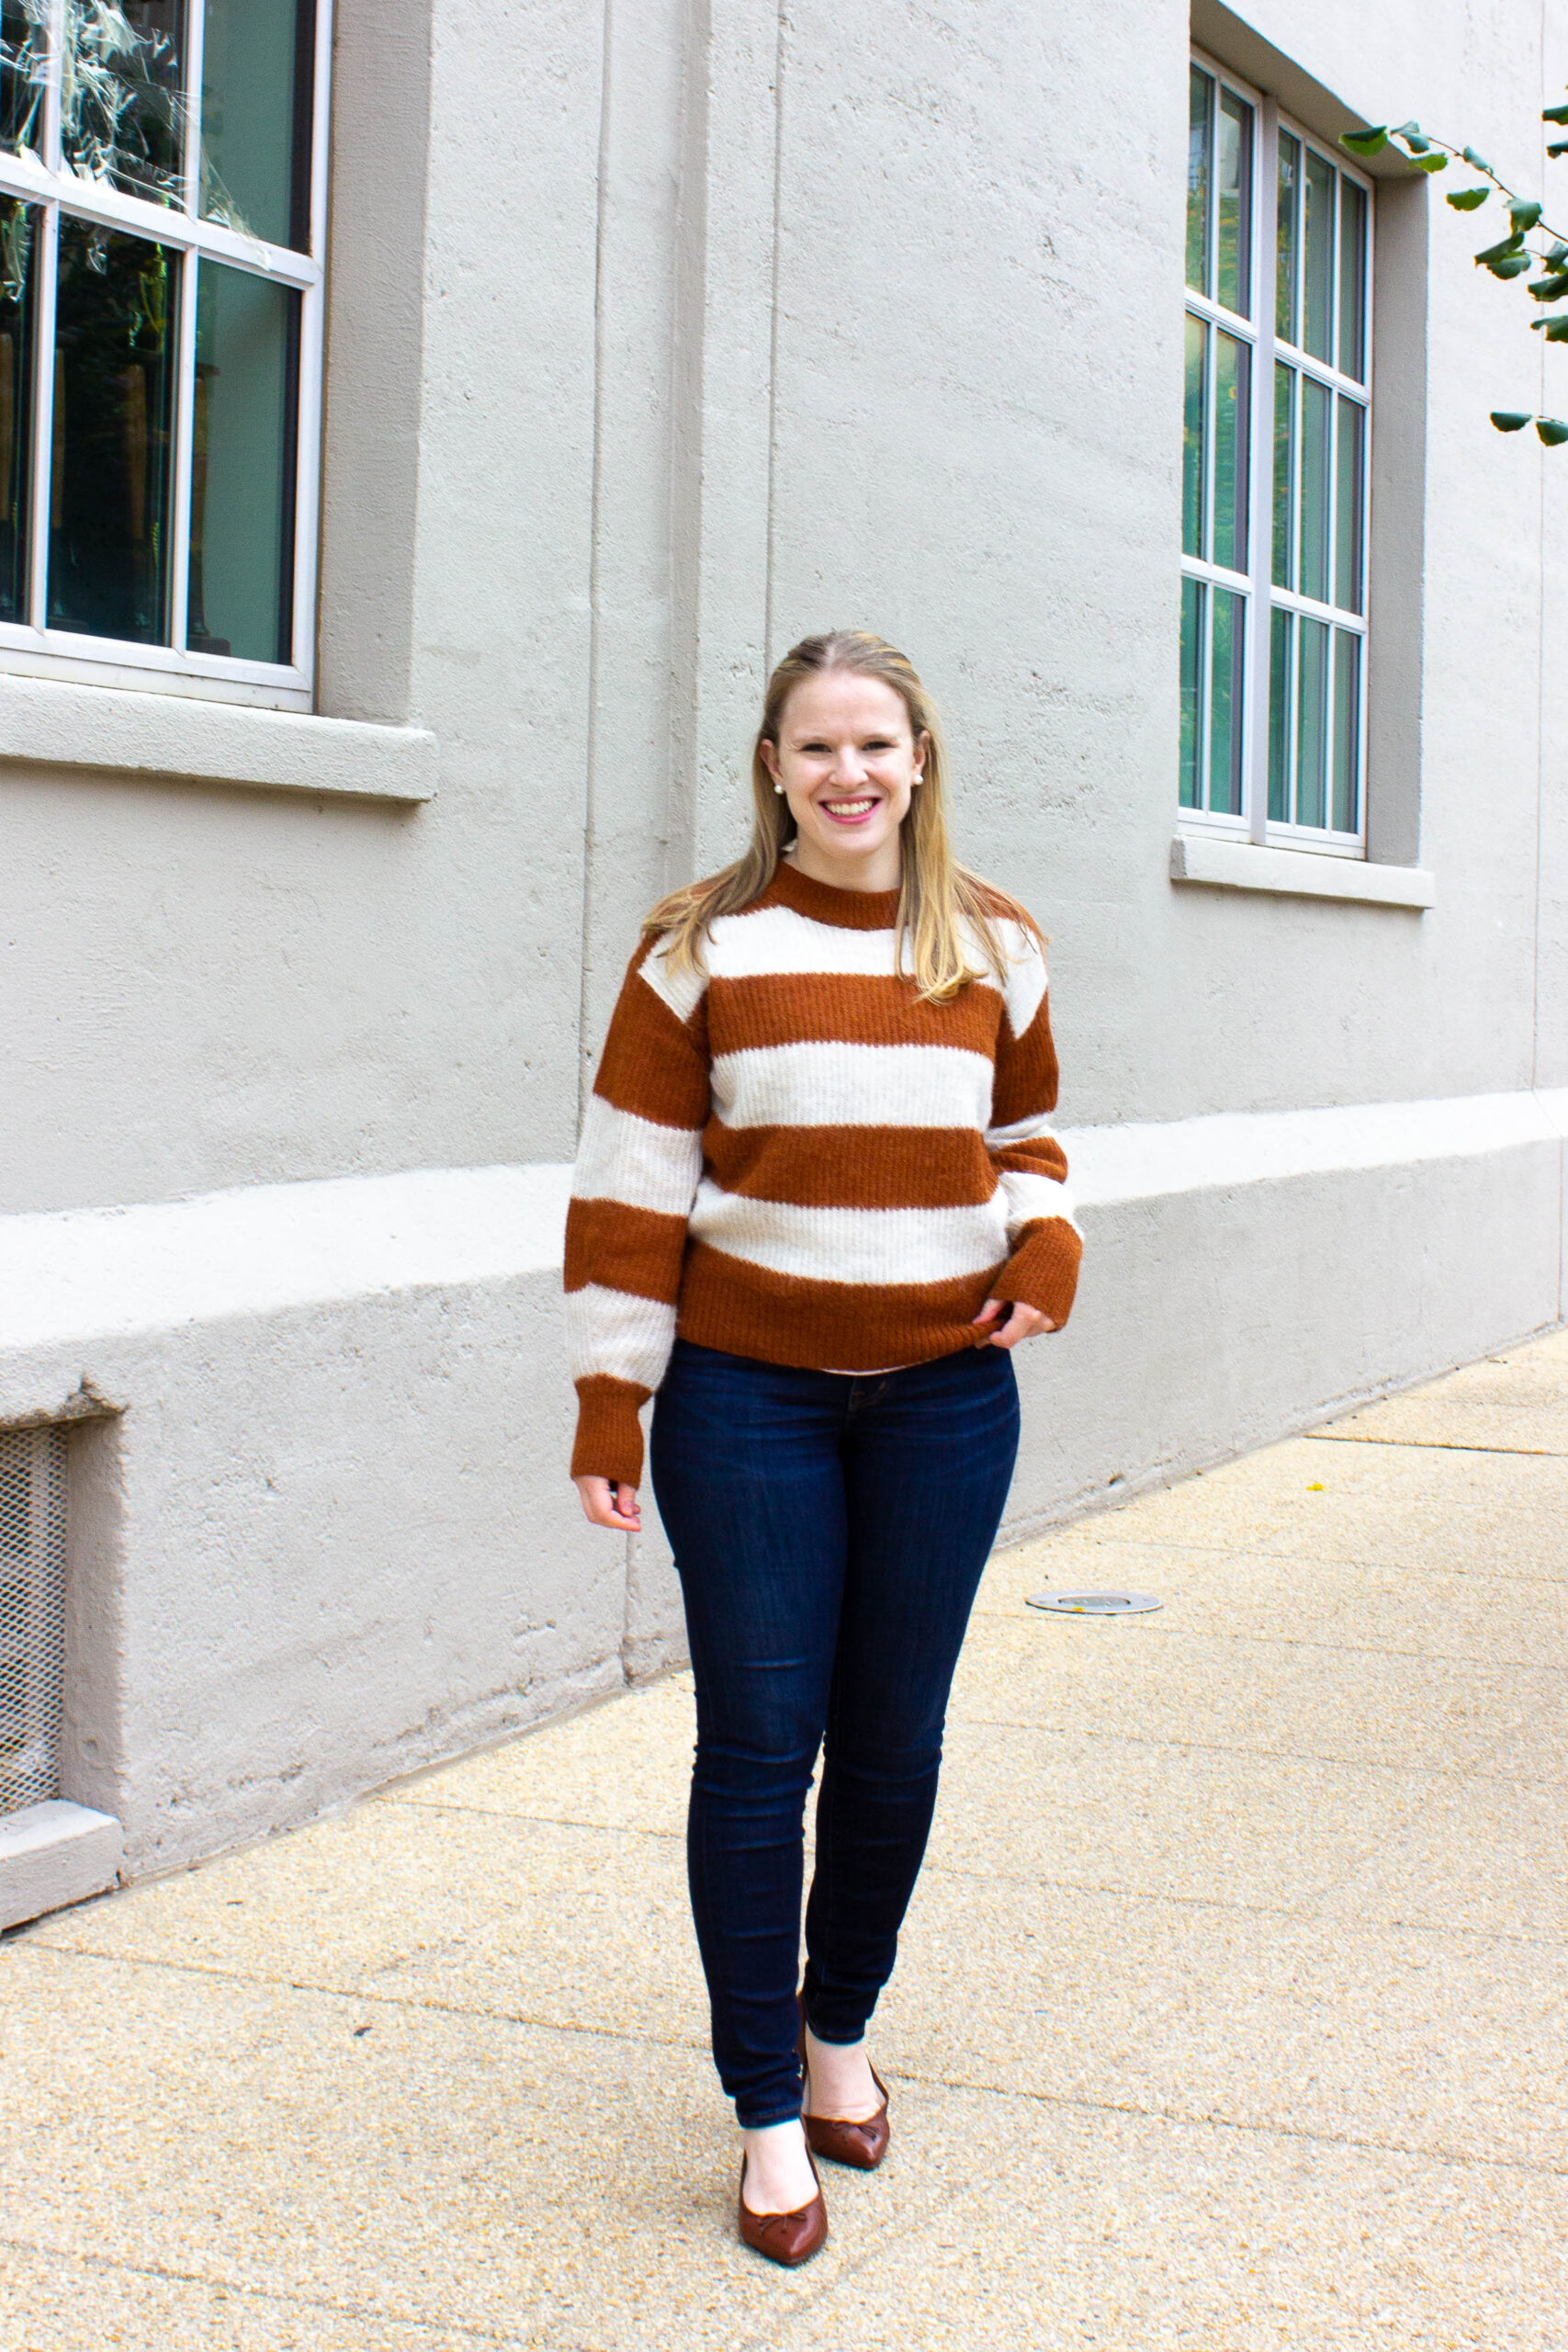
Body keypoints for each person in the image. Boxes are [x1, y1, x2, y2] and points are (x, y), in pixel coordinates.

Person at [566, 630, 1081, 2267]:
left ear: (920, 757)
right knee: (757, 1747)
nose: (848, 775)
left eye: (877, 745)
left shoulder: (995, 944)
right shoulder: (699, 949)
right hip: (748, 1400)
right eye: (815, 749)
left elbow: (1027, 1136)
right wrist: (610, 1393)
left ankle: (836, 2028)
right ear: (773, 768)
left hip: (943, 1396)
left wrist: (1045, 1243)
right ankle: (765, 2116)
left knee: (896, 1741)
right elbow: (631, 1183)